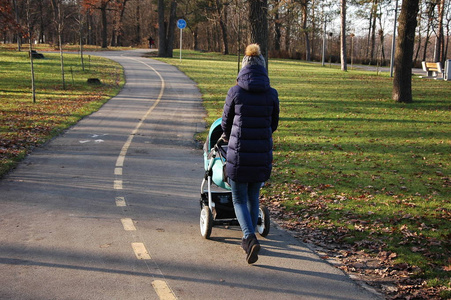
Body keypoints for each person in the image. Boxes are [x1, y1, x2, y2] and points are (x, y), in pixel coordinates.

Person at [220, 44, 279, 264]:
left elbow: (225, 123)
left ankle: (249, 237)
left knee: (238, 197)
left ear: (243, 68)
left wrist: (229, 136)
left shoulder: (235, 92)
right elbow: (274, 124)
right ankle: (250, 234)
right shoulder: (272, 93)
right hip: (261, 154)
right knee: (254, 196)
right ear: (263, 68)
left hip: (239, 154)